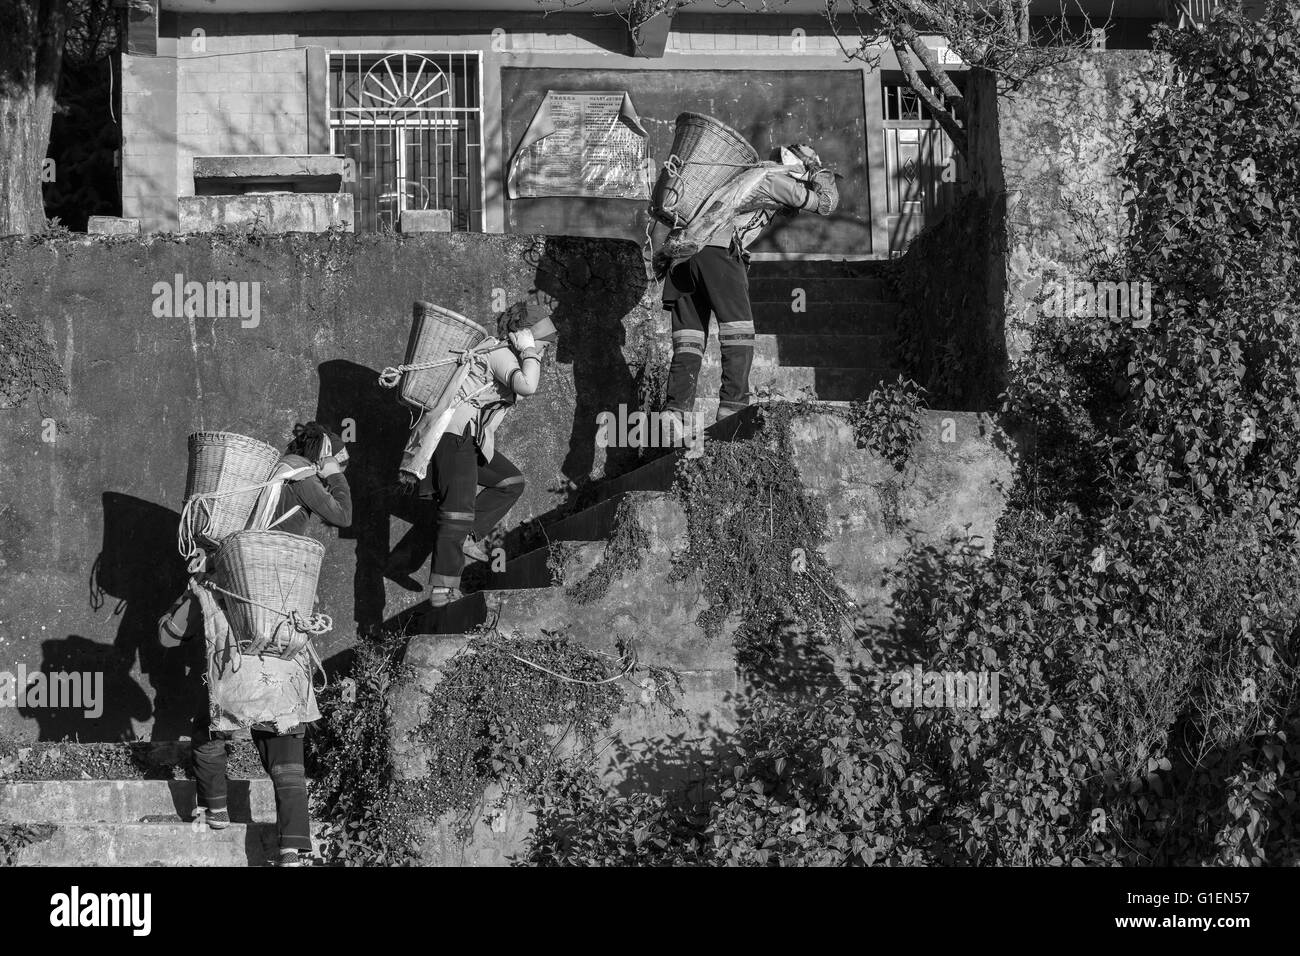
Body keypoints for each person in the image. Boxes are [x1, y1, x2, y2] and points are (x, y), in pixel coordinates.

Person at [163, 422, 352, 867]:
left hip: (231, 662)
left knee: (209, 721)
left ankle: (216, 810)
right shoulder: (300, 476)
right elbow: (343, 515)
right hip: (281, 643)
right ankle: (293, 847)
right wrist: (334, 473)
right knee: (286, 748)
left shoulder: (220, 568)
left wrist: (193, 591)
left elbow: (167, 636)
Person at [656, 143, 839, 429]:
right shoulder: (772, 179)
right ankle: (732, 409)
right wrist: (821, 173)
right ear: (798, 168)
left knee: (689, 340)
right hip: (717, 252)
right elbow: (826, 203)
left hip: (683, 256)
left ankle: (674, 413)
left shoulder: (747, 177)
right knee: (738, 333)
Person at [392, 302, 555, 608]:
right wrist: (530, 350)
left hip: (469, 438)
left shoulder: (503, 353)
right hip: (454, 435)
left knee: (510, 481)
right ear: (525, 336)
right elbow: (528, 386)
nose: (544, 351)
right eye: (542, 343)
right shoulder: (500, 353)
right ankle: (443, 588)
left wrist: (530, 350)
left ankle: (466, 538)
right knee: (457, 509)